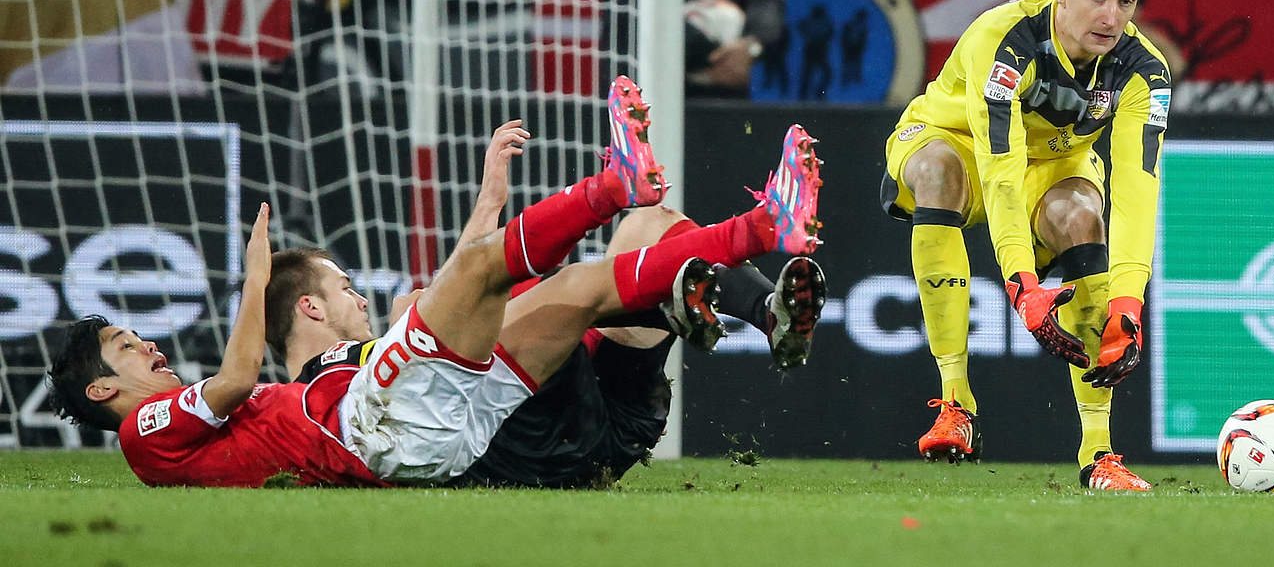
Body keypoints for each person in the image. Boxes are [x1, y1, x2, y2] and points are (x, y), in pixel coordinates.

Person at [47, 76, 824, 487]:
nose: (146, 343)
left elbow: (454, 314)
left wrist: (488, 201)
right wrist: (253, 280)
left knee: (580, 280)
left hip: (445, 418)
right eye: (124, 346)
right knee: (440, 295)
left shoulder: (283, 403)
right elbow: (237, 373)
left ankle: (757, 237)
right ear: (102, 391)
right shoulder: (152, 434)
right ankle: (621, 194)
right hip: (404, 431)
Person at [272, 119, 828, 489]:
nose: (355, 295)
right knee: (430, 305)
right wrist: (255, 289)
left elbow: (456, 300)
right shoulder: (310, 404)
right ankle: (671, 277)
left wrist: (489, 202)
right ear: (309, 309)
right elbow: (447, 309)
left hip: (605, 425)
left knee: (648, 224)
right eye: (342, 287)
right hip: (520, 445)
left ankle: (768, 315)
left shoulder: (377, 365)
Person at [880, 0, 1170, 490]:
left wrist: (1129, 301)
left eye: (1126, 1)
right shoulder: (1005, 39)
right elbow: (1000, 167)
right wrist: (1021, 281)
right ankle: (955, 404)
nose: (1112, 18)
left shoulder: (1142, 69)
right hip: (956, 141)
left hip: (1055, 164)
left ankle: (1100, 455)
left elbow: (1138, 186)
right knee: (940, 171)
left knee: (1084, 212)